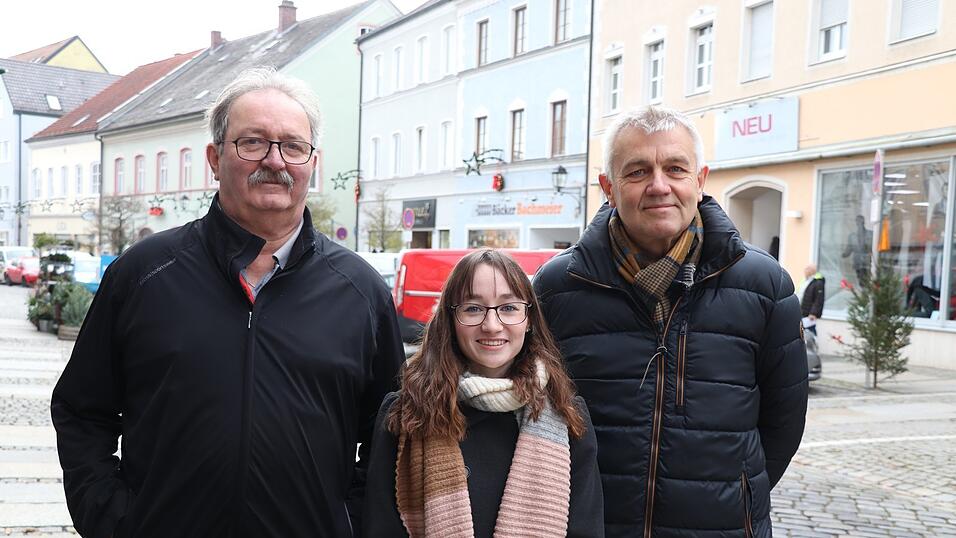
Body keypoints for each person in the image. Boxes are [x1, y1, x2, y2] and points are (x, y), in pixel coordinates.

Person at [51, 67, 404, 538]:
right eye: (253, 142)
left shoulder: (360, 291)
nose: (275, 160)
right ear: (216, 158)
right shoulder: (144, 275)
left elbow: (392, 432)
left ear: (312, 163)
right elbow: (81, 410)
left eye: (293, 146)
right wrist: (112, 519)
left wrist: (351, 523)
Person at [533, 105, 808, 538]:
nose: (659, 186)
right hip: (594, 525)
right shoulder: (559, 285)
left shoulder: (763, 284)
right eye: (637, 171)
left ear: (699, 180)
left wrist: (733, 497)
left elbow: (784, 423)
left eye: (675, 169)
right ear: (608, 187)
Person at [363, 249, 604, 537]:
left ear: (529, 320)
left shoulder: (567, 416)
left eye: (509, 308)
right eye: (473, 308)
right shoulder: (406, 413)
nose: (492, 325)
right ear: (451, 320)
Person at [842, 215, 872, 285]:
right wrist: (843, 254)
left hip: (867, 262)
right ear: (856, 223)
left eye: (861, 221)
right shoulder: (852, 236)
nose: (859, 222)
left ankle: (866, 292)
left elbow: (873, 248)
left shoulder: (870, 234)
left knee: (868, 279)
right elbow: (849, 249)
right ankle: (863, 292)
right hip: (857, 262)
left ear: (864, 222)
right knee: (860, 279)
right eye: (858, 221)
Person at [800, 264, 826, 334]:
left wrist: (813, 313)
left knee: (810, 331)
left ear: (811, 271)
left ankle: (813, 343)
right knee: (803, 330)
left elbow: (819, 299)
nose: (805, 271)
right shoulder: (806, 281)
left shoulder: (818, 282)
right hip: (802, 311)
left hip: (809, 314)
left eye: (807, 269)